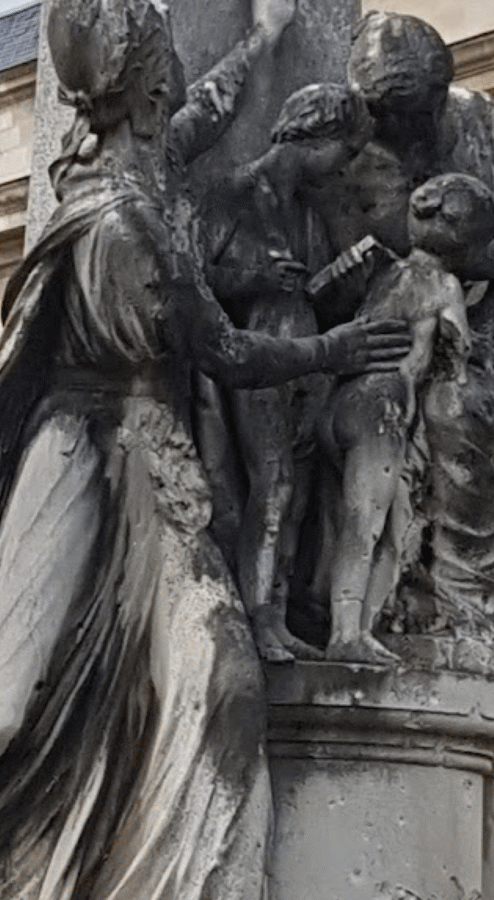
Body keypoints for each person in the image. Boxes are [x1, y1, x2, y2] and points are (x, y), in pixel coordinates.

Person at [0, 0, 410, 900]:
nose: (184, 75)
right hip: (76, 459)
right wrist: (337, 345)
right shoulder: (123, 219)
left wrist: (263, 43)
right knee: (1, 709)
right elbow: (224, 350)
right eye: (171, 61)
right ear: (146, 92)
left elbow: (205, 114)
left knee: (223, 675)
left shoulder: (146, 171)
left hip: (156, 466)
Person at [202, 84, 372, 662]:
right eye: (343, 153)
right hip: (258, 355)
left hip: (308, 349)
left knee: (294, 497)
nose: (343, 169)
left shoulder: (307, 210)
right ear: (316, 136)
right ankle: (255, 615)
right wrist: (255, 277)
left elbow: (314, 282)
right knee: (270, 486)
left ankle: (277, 613)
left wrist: (336, 284)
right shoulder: (236, 191)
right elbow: (194, 283)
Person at [320, 172, 494, 665]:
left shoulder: (389, 271)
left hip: (343, 402)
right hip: (385, 407)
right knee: (374, 522)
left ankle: (353, 628)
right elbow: (459, 350)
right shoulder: (444, 284)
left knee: (367, 518)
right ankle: (348, 633)